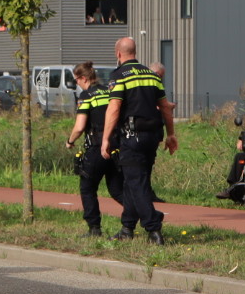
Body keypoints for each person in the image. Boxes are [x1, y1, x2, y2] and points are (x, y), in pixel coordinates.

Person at [100, 37, 178, 245]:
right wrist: (171, 134)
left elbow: (114, 108)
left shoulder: (119, 75)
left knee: (136, 183)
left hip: (131, 137)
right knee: (133, 183)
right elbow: (165, 107)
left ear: (118, 54)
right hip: (152, 137)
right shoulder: (151, 76)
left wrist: (105, 138)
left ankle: (154, 226)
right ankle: (127, 227)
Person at [64, 62, 121, 238]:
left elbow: (80, 126)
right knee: (117, 189)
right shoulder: (109, 91)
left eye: (77, 80)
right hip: (116, 146)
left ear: (83, 78)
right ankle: (135, 221)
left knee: (87, 188)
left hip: (97, 147)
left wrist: (70, 140)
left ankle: (94, 228)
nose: (77, 84)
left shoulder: (86, 95)